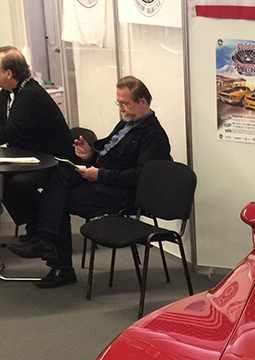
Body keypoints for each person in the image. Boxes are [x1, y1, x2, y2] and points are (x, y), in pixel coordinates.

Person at [11, 75, 171, 289]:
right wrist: (90, 155)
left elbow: (141, 177)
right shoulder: (127, 124)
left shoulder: (154, 136)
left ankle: (56, 259)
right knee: (57, 174)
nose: (121, 109)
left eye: (125, 104)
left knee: (59, 199)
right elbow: (111, 158)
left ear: (143, 102)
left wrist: (100, 175)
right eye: (118, 103)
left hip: (123, 192)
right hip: (104, 179)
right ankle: (46, 242)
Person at [0, 47, 74, 239]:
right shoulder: (6, 94)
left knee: (18, 184)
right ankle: (35, 227)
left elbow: (11, 132)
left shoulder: (31, 94)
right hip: (31, 156)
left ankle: (41, 230)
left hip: (54, 159)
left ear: (9, 73)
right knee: (5, 182)